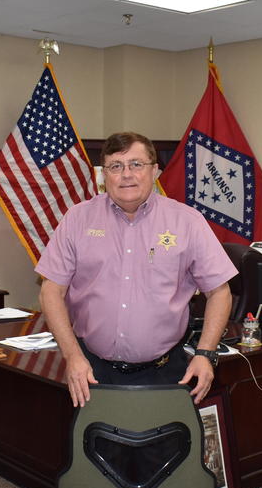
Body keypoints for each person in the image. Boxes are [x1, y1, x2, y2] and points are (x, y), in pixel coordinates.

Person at [36, 131, 237, 407]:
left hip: (166, 373)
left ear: (155, 171)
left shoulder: (188, 222)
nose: (126, 174)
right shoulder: (77, 219)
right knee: (96, 447)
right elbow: (50, 291)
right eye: (115, 166)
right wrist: (72, 356)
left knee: (164, 449)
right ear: (103, 175)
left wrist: (205, 353)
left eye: (136, 164)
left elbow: (220, 292)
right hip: (91, 371)